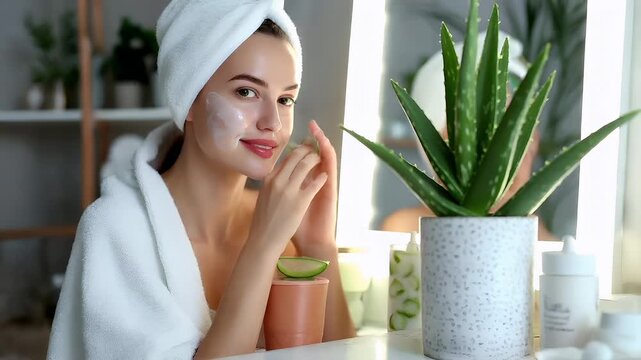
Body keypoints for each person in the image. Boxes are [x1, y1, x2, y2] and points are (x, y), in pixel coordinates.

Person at [48, 1, 355, 358]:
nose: (273, 122)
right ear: (188, 99)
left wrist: (319, 245)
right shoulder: (116, 229)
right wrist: (262, 245)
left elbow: (345, 353)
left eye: (286, 98)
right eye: (246, 92)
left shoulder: (284, 226)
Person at [380, 31, 556, 241]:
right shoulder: (403, 231)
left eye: (520, 130)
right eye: (487, 132)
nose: (505, 149)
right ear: (438, 147)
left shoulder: (546, 247)